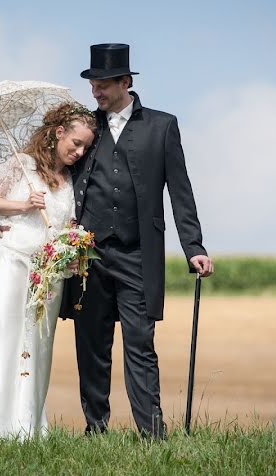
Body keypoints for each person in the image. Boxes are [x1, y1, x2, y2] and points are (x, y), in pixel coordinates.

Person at [60, 43, 214, 439]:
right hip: (88, 256)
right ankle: (95, 429)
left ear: (125, 82)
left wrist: (193, 247)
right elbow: (57, 179)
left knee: (140, 344)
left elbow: (181, 192)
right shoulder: (86, 130)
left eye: (103, 85)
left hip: (138, 254)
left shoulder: (162, 126)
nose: (96, 92)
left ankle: (152, 432)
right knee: (91, 343)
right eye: (93, 84)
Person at [0, 102, 97, 439]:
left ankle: (27, 427)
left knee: (37, 348)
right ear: (58, 132)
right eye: (75, 143)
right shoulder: (23, 165)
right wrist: (23, 205)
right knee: (3, 341)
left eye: (85, 147)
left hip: (48, 274)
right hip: (15, 263)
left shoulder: (70, 178)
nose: (79, 152)